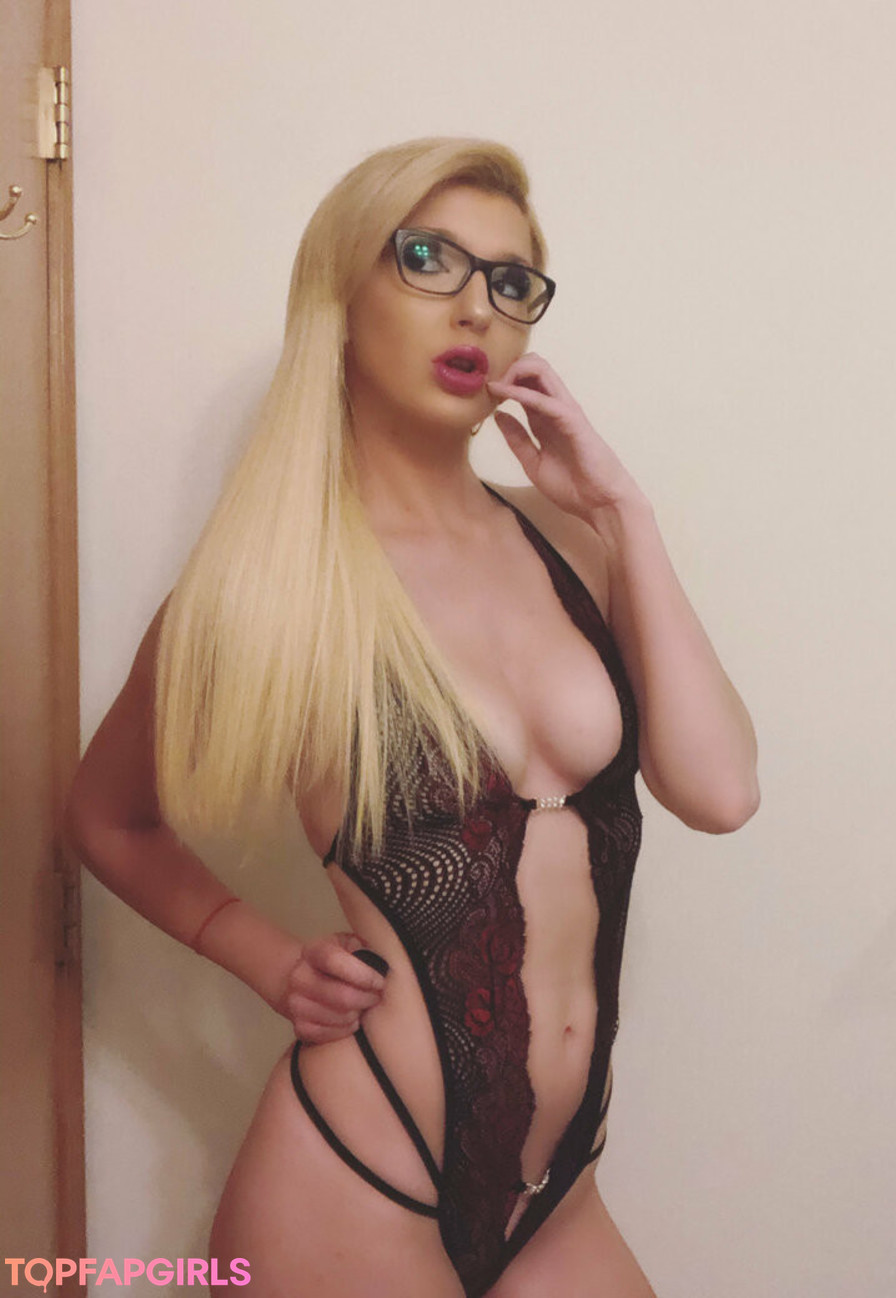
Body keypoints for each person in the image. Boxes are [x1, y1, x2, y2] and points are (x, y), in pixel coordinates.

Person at [65, 136, 759, 1298]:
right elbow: (108, 815)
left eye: (510, 280)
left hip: (562, 1194)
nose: (475, 307)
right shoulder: (271, 585)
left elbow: (721, 790)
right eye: (428, 259)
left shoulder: (574, 539)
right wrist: (261, 953)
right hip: (356, 1180)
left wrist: (625, 511)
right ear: (340, 294)